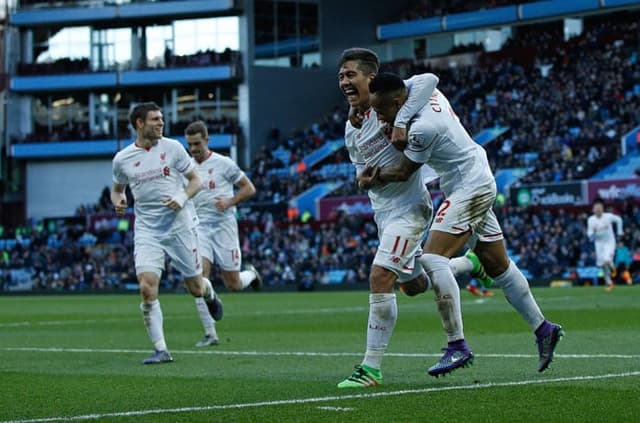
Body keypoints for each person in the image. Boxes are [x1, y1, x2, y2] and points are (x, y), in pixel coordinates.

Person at [360, 72, 564, 375]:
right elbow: (430, 77)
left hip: (470, 186)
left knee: (432, 258)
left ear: (397, 102)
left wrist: (372, 178)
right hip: (472, 177)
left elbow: (403, 172)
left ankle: (457, 346)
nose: (377, 117)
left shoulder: (422, 128)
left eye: (380, 111)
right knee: (497, 265)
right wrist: (398, 121)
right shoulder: (418, 94)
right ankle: (544, 329)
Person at [335, 48, 491, 388]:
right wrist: (364, 179)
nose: (345, 81)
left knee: (379, 276)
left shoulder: (393, 103)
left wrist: (401, 121)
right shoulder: (352, 128)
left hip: (410, 209)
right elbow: (361, 172)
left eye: (351, 75)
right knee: (413, 285)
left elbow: (428, 80)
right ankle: (469, 264)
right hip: (383, 213)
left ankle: (370, 368)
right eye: (342, 77)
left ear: (371, 78)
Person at [111, 102, 223, 364]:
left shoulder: (172, 148)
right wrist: (119, 200)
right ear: (140, 123)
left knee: (195, 288)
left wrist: (182, 196)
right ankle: (161, 349)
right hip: (147, 229)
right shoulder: (122, 159)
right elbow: (117, 189)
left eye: (161, 118)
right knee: (147, 288)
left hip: (179, 226)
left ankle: (209, 294)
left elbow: (196, 180)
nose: (161, 123)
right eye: (155, 119)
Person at [185, 120, 263, 347]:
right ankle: (211, 334)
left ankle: (252, 276)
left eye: (197, 143)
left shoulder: (224, 163)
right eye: (190, 144)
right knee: (199, 278)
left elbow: (249, 188)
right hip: (199, 228)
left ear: (207, 140)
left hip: (224, 228)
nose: (194, 149)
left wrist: (230, 201)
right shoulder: (186, 168)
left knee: (233, 284)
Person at [587, 198, 624, 291]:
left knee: (606, 260)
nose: (598, 210)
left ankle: (612, 267)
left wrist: (620, 232)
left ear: (603, 209)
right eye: (596, 208)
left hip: (609, 242)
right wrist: (594, 232)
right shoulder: (591, 220)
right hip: (599, 244)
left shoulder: (608, 216)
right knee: (602, 265)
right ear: (593, 210)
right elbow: (590, 237)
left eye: (600, 208)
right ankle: (609, 283)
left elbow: (619, 219)